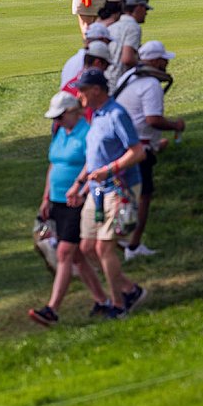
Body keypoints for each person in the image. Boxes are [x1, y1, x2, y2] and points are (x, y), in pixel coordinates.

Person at [66, 70, 146, 318]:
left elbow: (138, 152)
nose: (78, 95)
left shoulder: (116, 114)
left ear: (96, 90)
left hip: (118, 189)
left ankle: (119, 305)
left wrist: (109, 170)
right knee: (88, 246)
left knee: (103, 248)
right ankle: (130, 290)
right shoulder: (96, 116)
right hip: (96, 189)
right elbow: (94, 158)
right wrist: (78, 184)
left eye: (82, 90)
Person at [26, 92, 110, 327]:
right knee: (76, 256)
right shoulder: (60, 132)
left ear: (74, 112)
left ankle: (52, 310)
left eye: (61, 117)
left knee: (64, 253)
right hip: (57, 201)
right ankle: (102, 300)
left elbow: (93, 163)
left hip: (78, 201)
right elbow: (53, 164)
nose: (58, 121)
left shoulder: (88, 133)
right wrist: (46, 197)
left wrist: (81, 190)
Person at [112, 39, 184, 259]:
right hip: (138, 149)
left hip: (122, 144)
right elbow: (153, 120)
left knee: (124, 194)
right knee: (143, 196)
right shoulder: (151, 84)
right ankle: (133, 245)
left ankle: (120, 239)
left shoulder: (129, 76)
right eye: (163, 59)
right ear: (154, 60)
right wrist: (175, 125)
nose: (166, 63)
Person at [107, 0, 149, 84]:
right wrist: (146, 66)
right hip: (119, 81)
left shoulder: (112, 26)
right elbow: (127, 59)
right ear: (138, 7)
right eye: (145, 9)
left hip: (106, 79)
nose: (146, 13)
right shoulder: (133, 27)